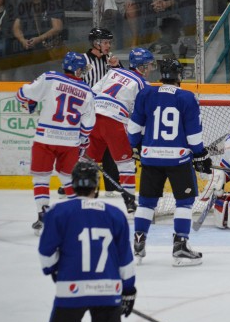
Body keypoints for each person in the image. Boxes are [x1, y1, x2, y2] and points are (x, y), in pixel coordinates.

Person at [38, 160, 137, 322]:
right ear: (96, 185)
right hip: (107, 289)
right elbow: (125, 259)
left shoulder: (58, 212)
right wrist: (128, 289)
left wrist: (53, 270)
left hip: (70, 288)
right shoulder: (115, 214)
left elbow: (46, 253)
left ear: (73, 184)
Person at [127, 58, 210, 266]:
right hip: (178, 159)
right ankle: (180, 246)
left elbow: (134, 129)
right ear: (179, 76)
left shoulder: (146, 93)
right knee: (184, 202)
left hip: (150, 157)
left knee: (146, 202)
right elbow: (193, 136)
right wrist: (201, 155)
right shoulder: (187, 97)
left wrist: (136, 147)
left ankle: (138, 243)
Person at [16, 51, 96, 235]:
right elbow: (88, 125)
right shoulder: (87, 91)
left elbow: (22, 93)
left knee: (41, 178)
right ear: (76, 69)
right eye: (82, 69)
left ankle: (43, 213)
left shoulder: (50, 78)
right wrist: (82, 143)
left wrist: (29, 102)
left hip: (45, 138)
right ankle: (76, 217)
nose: (83, 72)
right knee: (68, 179)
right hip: (69, 141)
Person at [86, 47, 155, 214]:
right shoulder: (143, 84)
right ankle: (129, 201)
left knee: (88, 163)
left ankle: (86, 200)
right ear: (142, 67)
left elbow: (92, 92)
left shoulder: (112, 73)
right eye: (150, 65)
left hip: (94, 118)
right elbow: (141, 114)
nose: (152, 68)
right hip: (114, 123)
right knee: (126, 165)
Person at [56, 27, 120, 197]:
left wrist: (118, 67)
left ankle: (111, 187)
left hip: (105, 111)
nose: (108, 45)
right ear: (96, 43)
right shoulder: (81, 60)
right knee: (82, 151)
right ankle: (72, 184)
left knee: (108, 148)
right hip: (84, 112)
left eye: (109, 42)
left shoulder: (110, 60)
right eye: (105, 42)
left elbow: (122, 81)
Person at [10, 0, 65, 74]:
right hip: (29, 49)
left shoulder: (51, 4)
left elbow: (57, 27)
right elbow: (16, 27)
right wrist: (22, 40)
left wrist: (39, 39)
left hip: (48, 49)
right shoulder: (24, 5)